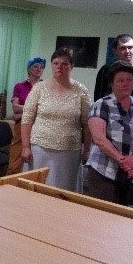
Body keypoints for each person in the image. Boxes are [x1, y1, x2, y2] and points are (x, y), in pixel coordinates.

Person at [21, 47, 91, 192]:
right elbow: (26, 120)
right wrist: (26, 147)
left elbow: (86, 124)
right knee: (37, 190)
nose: (59, 67)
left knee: (63, 192)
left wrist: (87, 150)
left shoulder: (81, 91)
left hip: (69, 152)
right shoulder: (39, 88)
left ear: (71, 66)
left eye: (65, 64)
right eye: (56, 63)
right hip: (39, 149)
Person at [87, 61, 133, 208]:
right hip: (105, 173)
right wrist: (123, 162)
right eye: (120, 80)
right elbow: (99, 139)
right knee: (102, 215)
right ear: (112, 83)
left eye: (129, 80)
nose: (125, 84)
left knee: (131, 217)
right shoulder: (101, 105)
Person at [7, 56, 45, 174]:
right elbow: (15, 108)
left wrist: (22, 112)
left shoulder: (45, 87)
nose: (39, 69)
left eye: (41, 67)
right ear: (29, 69)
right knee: (15, 161)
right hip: (21, 126)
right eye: (35, 66)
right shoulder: (20, 86)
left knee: (35, 161)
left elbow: (45, 109)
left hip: (40, 127)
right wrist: (34, 108)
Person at [94, 34, 133, 109]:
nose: (127, 51)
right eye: (123, 48)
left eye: (130, 47)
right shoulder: (105, 70)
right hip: (111, 113)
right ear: (115, 50)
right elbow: (98, 96)